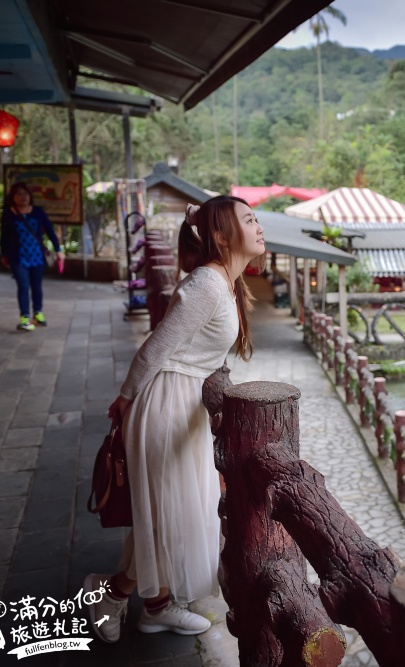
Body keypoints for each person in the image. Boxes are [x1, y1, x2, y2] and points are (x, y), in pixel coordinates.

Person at [84, 196, 265, 643]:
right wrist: (125, 399)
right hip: (167, 403)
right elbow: (157, 346)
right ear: (222, 236)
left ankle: (154, 605)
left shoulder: (224, 280)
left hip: (185, 404)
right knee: (176, 517)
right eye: (249, 219)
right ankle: (113, 595)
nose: (259, 225)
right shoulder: (207, 284)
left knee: (172, 513)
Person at [0, 182, 64, 331]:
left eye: (26, 194)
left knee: (36, 286)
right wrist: (3, 254)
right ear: (13, 197)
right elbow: (4, 237)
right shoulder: (8, 214)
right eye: (19, 194)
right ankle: (25, 317)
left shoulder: (38, 212)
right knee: (23, 286)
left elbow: (50, 231)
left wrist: (58, 249)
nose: (23, 197)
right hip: (18, 257)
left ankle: (38, 313)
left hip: (37, 256)